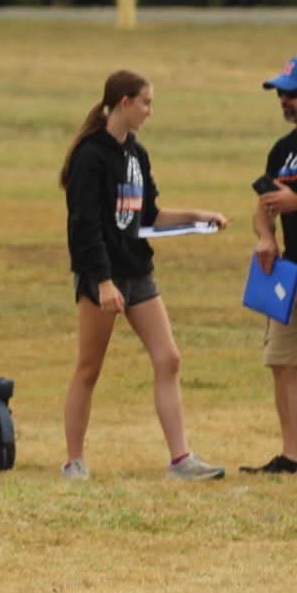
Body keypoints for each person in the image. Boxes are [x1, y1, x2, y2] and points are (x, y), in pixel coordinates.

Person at [60, 70, 228, 482]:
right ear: (124, 103)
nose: (150, 112)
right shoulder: (90, 156)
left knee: (168, 358)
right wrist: (102, 282)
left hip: (138, 271)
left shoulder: (136, 154)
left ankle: (180, 460)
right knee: (89, 368)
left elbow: (149, 215)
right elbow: (84, 226)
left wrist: (196, 217)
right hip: (103, 276)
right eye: (146, 103)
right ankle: (74, 461)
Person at [251, 56, 297, 475]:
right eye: (281, 94)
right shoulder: (282, 150)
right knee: (282, 363)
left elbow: (287, 201)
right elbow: (263, 208)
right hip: (290, 272)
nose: (285, 101)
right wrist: (266, 236)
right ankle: (292, 457)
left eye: (294, 93)